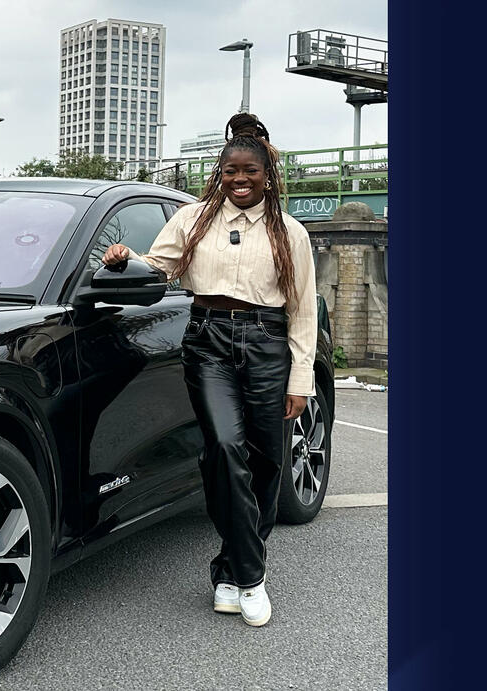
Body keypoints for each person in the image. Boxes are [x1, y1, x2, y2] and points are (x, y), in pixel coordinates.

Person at [102, 112, 316, 627]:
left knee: (266, 462)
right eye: (230, 171)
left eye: (250, 171)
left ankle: (228, 567)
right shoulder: (193, 220)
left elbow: (303, 309)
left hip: (268, 345)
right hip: (209, 342)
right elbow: (159, 265)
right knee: (223, 448)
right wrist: (124, 258)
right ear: (219, 174)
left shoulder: (290, 232)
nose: (240, 180)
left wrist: (300, 379)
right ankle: (251, 577)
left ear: (267, 176)